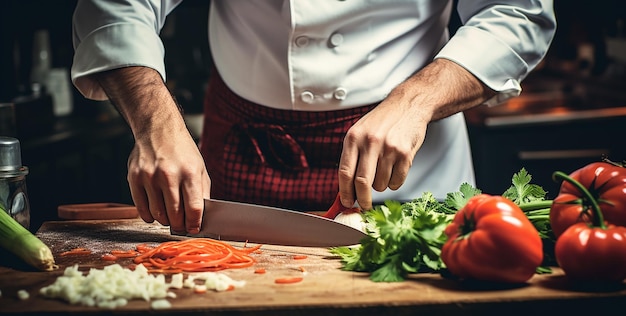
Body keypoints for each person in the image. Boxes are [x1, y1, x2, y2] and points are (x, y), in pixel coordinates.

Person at [71, 1, 557, 234]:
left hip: (410, 155)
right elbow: (114, 5)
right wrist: (156, 125)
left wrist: (416, 101)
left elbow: (517, 11)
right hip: (241, 149)